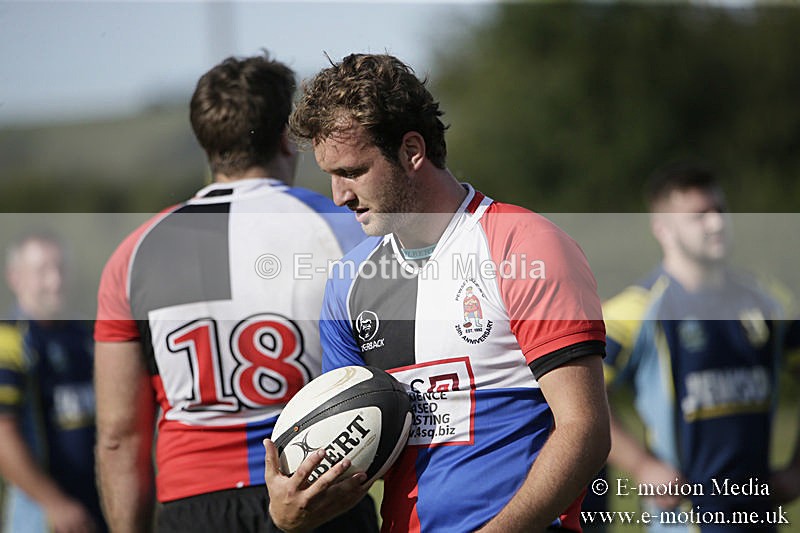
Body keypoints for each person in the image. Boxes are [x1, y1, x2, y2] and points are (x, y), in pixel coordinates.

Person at [263, 53, 611, 532]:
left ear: (411, 151)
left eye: (352, 171)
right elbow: (348, 452)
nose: (339, 195)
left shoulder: (525, 246)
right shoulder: (349, 281)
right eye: (330, 175)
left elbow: (586, 429)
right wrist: (291, 509)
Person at [93, 52, 376, 532]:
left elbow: (120, 436)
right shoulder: (345, 229)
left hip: (193, 505)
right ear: (288, 136)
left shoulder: (135, 253)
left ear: (206, 144)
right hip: (316, 488)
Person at [602, 161, 800, 531]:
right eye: (698, 215)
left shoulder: (770, 301)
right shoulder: (635, 310)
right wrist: (641, 464)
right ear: (662, 229)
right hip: (680, 523)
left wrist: (797, 468)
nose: (716, 224)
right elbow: (575, 394)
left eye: (720, 211)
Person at [0, 232, 107, 533]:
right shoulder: (8, 340)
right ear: (15, 277)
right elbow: (2, 434)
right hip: (40, 517)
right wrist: (54, 503)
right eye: (42, 271)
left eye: (60, 269)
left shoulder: (88, 335)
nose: (55, 281)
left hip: (99, 509)